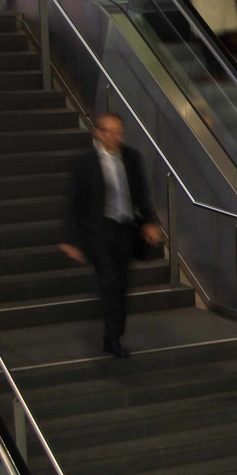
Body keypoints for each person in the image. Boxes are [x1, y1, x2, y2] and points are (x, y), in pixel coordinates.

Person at [62, 113, 162, 359]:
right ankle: (112, 338)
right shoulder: (85, 164)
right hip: (98, 231)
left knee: (122, 283)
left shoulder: (131, 158)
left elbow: (141, 195)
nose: (114, 137)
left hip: (124, 229)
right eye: (109, 131)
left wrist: (150, 223)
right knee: (110, 281)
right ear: (97, 132)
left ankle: (114, 334)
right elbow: (73, 202)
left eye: (119, 131)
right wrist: (71, 239)